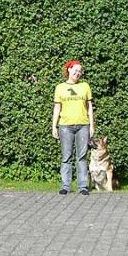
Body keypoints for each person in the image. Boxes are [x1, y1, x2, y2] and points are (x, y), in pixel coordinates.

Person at [52, 59, 95, 195]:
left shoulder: (85, 86)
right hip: (65, 126)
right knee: (66, 156)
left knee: (82, 157)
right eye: (75, 70)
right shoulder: (60, 87)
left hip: (83, 125)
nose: (77, 73)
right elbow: (57, 108)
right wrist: (54, 126)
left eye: (80, 71)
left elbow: (89, 108)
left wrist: (92, 125)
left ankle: (83, 187)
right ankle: (65, 186)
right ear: (69, 70)